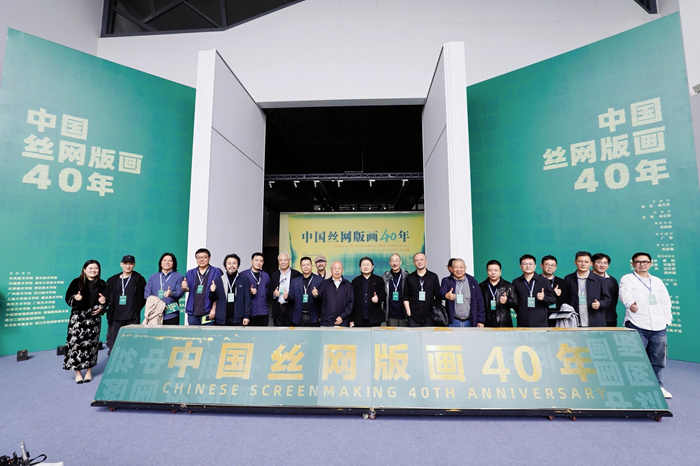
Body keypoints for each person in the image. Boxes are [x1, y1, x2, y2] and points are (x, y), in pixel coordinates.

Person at [619, 252, 673, 398]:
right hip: (637, 323)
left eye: (645, 262)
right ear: (633, 264)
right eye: (638, 262)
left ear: (651, 263)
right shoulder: (627, 279)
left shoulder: (657, 281)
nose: (642, 264)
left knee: (658, 359)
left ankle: (657, 386)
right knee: (634, 358)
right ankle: (634, 387)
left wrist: (666, 321)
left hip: (659, 326)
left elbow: (665, 302)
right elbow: (624, 294)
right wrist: (630, 304)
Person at [64, 260, 109, 384]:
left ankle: (89, 371)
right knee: (75, 345)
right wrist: (75, 298)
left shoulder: (102, 283)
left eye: (96, 268)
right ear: (84, 269)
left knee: (92, 345)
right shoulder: (76, 282)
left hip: (94, 318)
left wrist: (102, 304)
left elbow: (106, 300)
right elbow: (68, 298)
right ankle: (77, 372)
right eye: (90, 268)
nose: (93, 270)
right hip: (78, 318)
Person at [106, 255, 146, 354]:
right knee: (113, 345)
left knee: (131, 345)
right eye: (125, 263)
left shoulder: (139, 279)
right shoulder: (112, 280)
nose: (128, 266)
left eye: (130, 264)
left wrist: (136, 309)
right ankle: (113, 363)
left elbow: (143, 297)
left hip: (132, 317)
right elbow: (107, 297)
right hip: (115, 317)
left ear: (134, 265)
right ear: (121, 264)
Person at [563, 251, 611, 327]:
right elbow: (564, 300)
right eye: (580, 261)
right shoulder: (568, 279)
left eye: (586, 262)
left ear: (591, 263)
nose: (583, 264)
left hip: (595, 322)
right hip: (574, 322)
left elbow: (607, 299)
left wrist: (599, 304)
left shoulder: (600, 280)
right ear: (575, 262)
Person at [512, 254, 556, 327]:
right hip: (522, 320)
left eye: (530, 264)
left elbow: (553, 299)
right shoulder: (516, 282)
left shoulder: (544, 281)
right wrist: (520, 311)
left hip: (540, 321)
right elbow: (514, 302)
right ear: (520, 266)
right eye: (525, 264)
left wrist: (544, 298)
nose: (528, 266)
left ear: (535, 266)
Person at [181, 248, 222, 325]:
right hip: (193, 312)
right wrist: (184, 287)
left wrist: (214, 309)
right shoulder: (190, 272)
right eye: (199, 258)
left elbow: (219, 292)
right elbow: (187, 289)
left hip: (208, 311)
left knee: (208, 332)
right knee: (193, 332)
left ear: (209, 258)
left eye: (204, 257)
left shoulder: (216, 271)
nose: (201, 260)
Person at [440, 258, 485, 327]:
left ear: (465, 268)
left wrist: (480, 321)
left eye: (461, 267)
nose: (459, 270)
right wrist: (446, 295)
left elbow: (480, 302)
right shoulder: (447, 281)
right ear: (451, 269)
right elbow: (440, 293)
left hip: (470, 321)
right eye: (456, 267)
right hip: (453, 322)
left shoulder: (472, 282)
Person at [209, 253, 251, 326]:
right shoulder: (219, 280)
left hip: (238, 318)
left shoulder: (244, 279)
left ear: (238, 265)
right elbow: (213, 299)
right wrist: (212, 292)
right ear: (225, 266)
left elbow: (247, 299)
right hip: (222, 318)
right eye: (229, 263)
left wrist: (247, 316)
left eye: (234, 263)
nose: (231, 265)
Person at [144, 252, 184, 325]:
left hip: (171, 314)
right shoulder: (153, 277)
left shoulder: (179, 277)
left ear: (173, 263)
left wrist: (171, 293)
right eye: (164, 260)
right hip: (155, 314)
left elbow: (180, 293)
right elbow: (147, 294)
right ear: (160, 263)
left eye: (170, 261)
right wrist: (159, 304)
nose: (167, 262)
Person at [403, 252, 441, 327]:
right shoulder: (410, 277)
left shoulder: (433, 277)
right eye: (416, 260)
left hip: (430, 316)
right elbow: (405, 296)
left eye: (421, 260)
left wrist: (435, 312)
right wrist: (409, 312)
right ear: (414, 263)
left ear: (426, 261)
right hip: (413, 316)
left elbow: (438, 297)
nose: (419, 262)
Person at [314, 260, 353, 327]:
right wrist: (316, 295)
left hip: (343, 322)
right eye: (335, 268)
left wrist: (342, 317)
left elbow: (351, 303)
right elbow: (319, 301)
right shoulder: (324, 284)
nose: (337, 271)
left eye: (339, 269)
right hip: (326, 322)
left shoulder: (348, 285)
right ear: (331, 270)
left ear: (342, 270)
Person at [479, 260, 517, 327]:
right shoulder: (481, 286)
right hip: (486, 324)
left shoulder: (508, 286)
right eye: (490, 270)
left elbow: (516, 304)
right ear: (487, 271)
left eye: (496, 270)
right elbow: (478, 306)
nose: (493, 273)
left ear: (500, 271)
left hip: (504, 324)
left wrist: (507, 301)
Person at [351, 257, 387, 327]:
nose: (365, 267)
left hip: (375, 318)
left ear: (372, 267)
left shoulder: (378, 279)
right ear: (360, 267)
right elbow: (352, 301)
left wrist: (378, 298)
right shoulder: (355, 281)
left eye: (368, 265)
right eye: (363, 265)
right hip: (359, 318)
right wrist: (352, 319)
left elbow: (383, 294)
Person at [286, 256, 322, 326]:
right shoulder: (295, 281)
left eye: (308, 265)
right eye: (303, 265)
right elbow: (292, 297)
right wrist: (286, 297)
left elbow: (323, 299)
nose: (306, 267)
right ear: (300, 267)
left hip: (314, 317)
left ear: (312, 266)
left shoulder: (319, 280)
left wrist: (316, 296)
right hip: (298, 317)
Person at [268, 252, 301, 326]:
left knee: (291, 332)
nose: (283, 262)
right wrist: (274, 294)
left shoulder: (296, 274)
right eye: (281, 260)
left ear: (289, 261)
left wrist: (289, 296)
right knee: (278, 332)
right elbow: (269, 292)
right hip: (278, 309)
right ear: (278, 262)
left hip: (292, 309)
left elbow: (300, 293)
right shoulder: (274, 275)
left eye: (285, 260)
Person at [243, 252, 271, 326]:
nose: (258, 263)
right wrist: (249, 292)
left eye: (261, 261)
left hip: (263, 311)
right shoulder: (243, 275)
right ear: (251, 261)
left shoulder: (266, 275)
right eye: (256, 260)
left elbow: (268, 291)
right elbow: (239, 294)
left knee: (263, 332)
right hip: (249, 312)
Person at [381, 254, 409, 326]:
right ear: (389, 263)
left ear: (400, 262)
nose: (394, 263)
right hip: (390, 316)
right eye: (392, 261)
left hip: (404, 315)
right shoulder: (385, 277)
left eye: (396, 260)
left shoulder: (407, 277)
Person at [592, 253, 619, 327]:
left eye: (605, 263)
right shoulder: (586, 279)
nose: (602, 265)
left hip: (609, 318)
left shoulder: (612, 280)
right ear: (592, 264)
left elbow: (613, 300)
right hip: (591, 318)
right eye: (599, 262)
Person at [540, 255, 566, 326]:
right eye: (547, 264)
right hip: (540, 316)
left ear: (556, 267)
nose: (550, 267)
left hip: (557, 317)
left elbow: (565, 300)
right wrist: (554, 293)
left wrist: (559, 295)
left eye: (552, 265)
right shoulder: (536, 281)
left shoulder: (561, 282)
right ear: (541, 265)